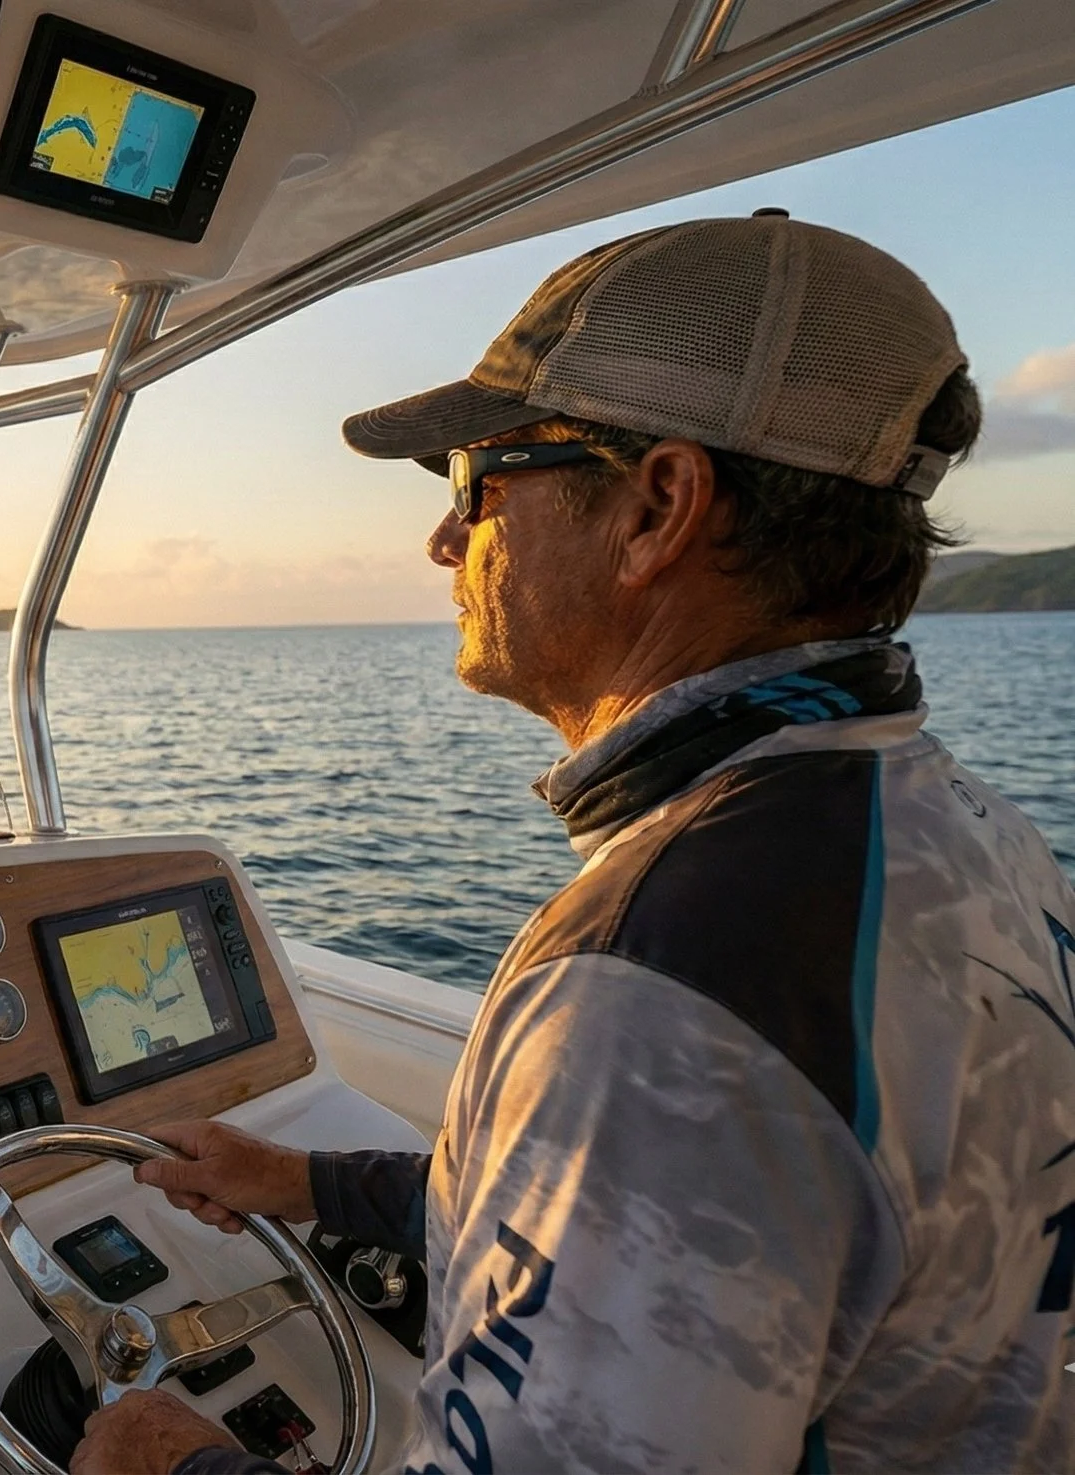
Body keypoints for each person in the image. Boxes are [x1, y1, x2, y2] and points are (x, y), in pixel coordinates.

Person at [74, 214, 1075, 1474]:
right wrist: (303, 1181)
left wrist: (168, 1459)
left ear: (658, 505)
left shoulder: (659, 975)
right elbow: (708, 1223)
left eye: (477, 482)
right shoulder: (959, 830)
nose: (447, 541)